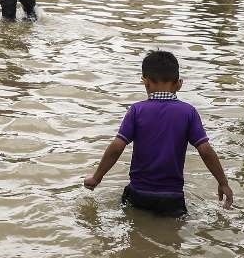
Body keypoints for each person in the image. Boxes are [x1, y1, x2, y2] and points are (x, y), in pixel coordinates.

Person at [83, 51, 233, 216]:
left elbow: (117, 147)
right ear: (179, 84)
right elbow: (205, 150)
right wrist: (223, 182)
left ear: (145, 82)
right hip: (172, 197)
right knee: (173, 239)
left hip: (139, 193)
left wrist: (97, 178)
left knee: (135, 236)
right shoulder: (188, 112)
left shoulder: (136, 110)